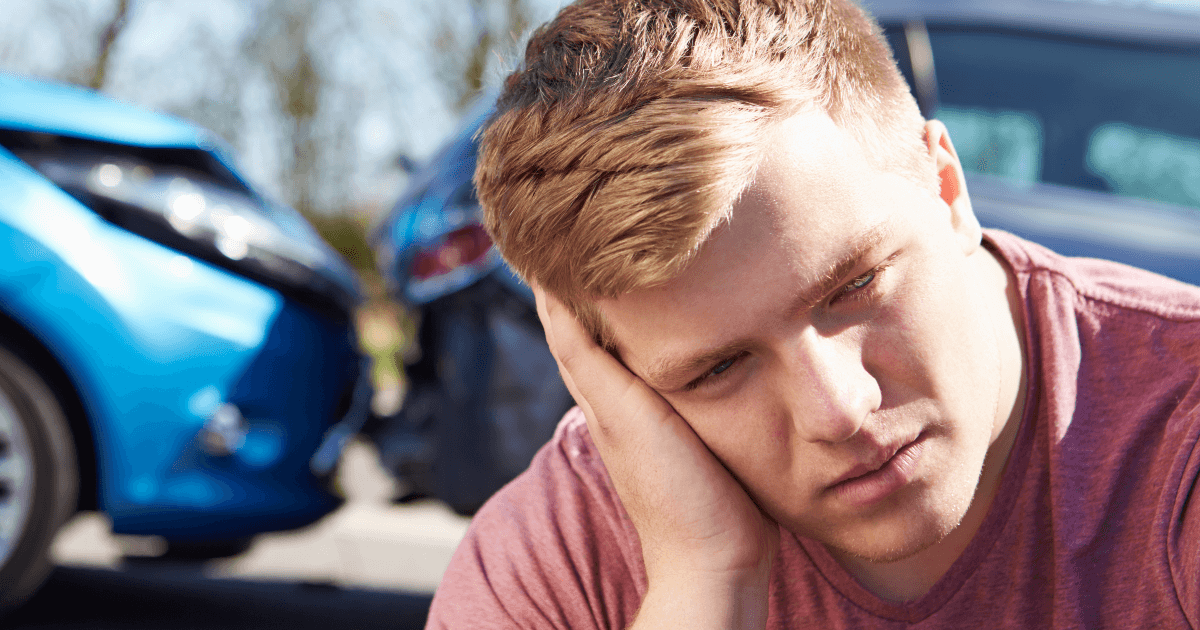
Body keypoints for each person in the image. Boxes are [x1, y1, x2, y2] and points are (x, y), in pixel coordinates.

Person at [425, 0, 1200, 626]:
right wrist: (706, 582)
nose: (838, 409)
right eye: (719, 368)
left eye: (854, 287)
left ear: (947, 188)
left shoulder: (1179, 429)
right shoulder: (555, 560)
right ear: (608, 372)